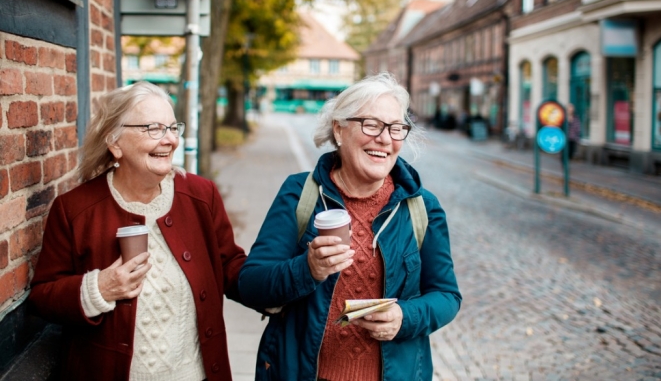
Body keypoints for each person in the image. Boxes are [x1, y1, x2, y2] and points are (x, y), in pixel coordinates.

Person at [238, 73, 461, 380]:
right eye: (371, 124)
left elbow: (447, 296)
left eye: (396, 128)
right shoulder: (300, 194)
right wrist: (308, 269)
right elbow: (251, 285)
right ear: (339, 129)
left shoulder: (422, 207)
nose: (385, 138)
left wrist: (404, 317)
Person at [29, 82, 247, 381]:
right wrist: (100, 289)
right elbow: (43, 296)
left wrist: (291, 277)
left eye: (173, 128)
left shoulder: (201, 195)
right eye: (154, 128)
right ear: (115, 142)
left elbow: (231, 267)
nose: (170, 140)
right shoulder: (75, 209)